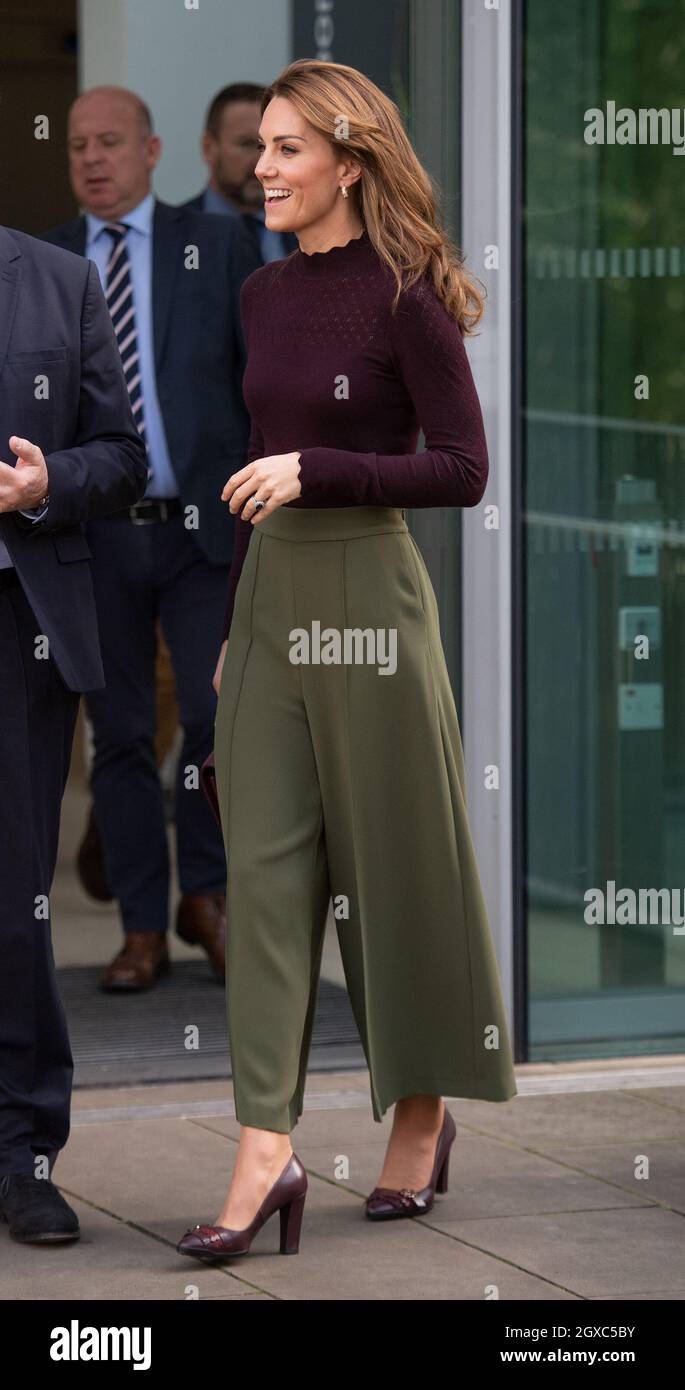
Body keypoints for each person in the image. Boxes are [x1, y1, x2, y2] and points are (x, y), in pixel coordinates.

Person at [177, 58, 517, 1265]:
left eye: (283, 149)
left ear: (348, 164)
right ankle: (264, 1147)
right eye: (257, 147)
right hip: (267, 602)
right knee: (262, 880)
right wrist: (231, 630)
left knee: (395, 873)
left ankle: (420, 1112)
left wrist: (324, 471)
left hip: (371, 596)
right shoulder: (263, 297)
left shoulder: (406, 295)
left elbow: (464, 470)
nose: (258, 167)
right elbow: (257, 465)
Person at [43, 86, 261, 991]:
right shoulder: (45, 264)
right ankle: (139, 928)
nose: (92, 158)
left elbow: (257, 385)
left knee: (214, 724)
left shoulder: (214, 245)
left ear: (154, 150)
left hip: (201, 531)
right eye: (78, 145)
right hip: (96, 537)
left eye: (110, 142)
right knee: (121, 737)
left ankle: (204, 899)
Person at [0, 223, 147, 1243]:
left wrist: (47, 482)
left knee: (15, 904)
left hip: (19, 636)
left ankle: (23, 1156)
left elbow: (122, 457)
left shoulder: (59, 281)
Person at [182, 81, 298, 263]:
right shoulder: (176, 235)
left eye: (278, 146)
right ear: (209, 148)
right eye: (247, 144)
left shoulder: (306, 229)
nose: (263, 163)